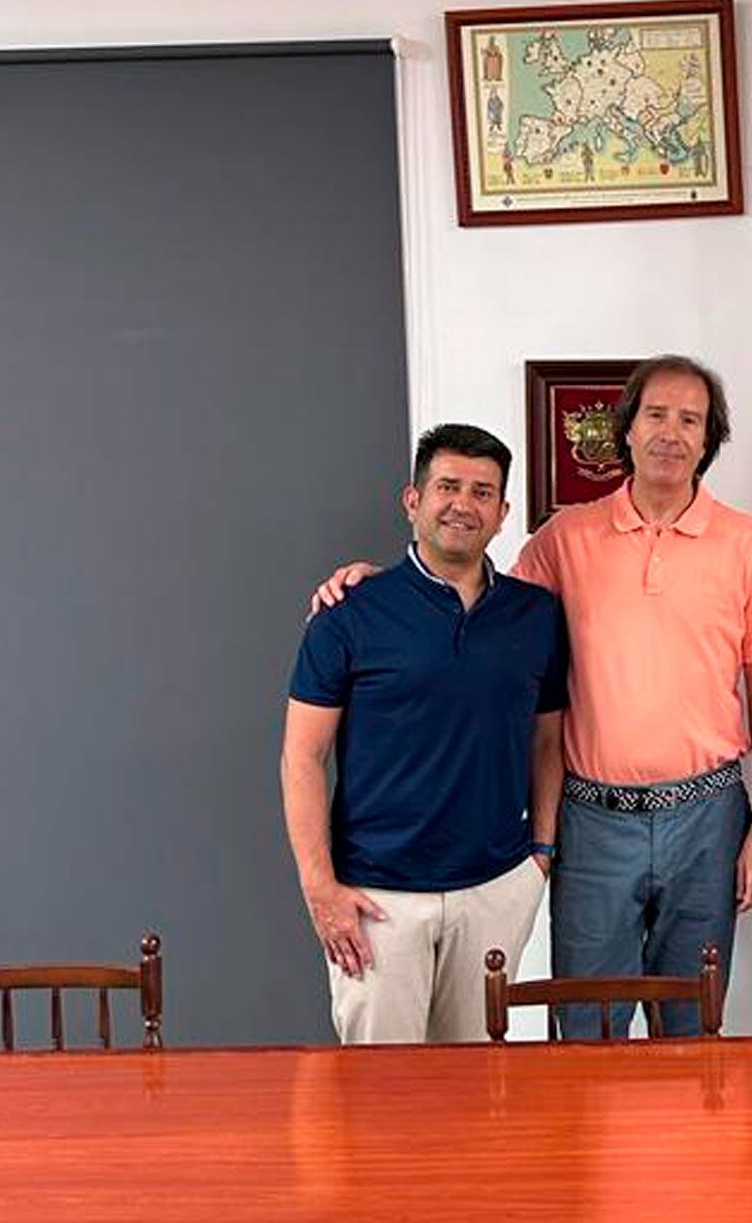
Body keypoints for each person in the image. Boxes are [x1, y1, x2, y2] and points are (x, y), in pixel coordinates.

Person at [316, 357, 752, 1037]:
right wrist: (382, 584)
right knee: (586, 1029)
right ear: (626, 430)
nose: (671, 432)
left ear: (710, 437)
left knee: (694, 1025)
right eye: (655, 414)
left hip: (708, 817)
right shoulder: (566, 538)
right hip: (592, 820)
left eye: (691, 419)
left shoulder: (748, 546)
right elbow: (478, 610)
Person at [281, 424, 568, 1044]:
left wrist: (539, 856)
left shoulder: (537, 615)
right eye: (447, 487)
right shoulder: (349, 613)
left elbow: (549, 741)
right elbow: (302, 757)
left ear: (502, 514)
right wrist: (320, 889)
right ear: (412, 501)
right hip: (377, 897)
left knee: (477, 1093)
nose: (463, 504)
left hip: (495, 887)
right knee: (382, 1102)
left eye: (482, 492)